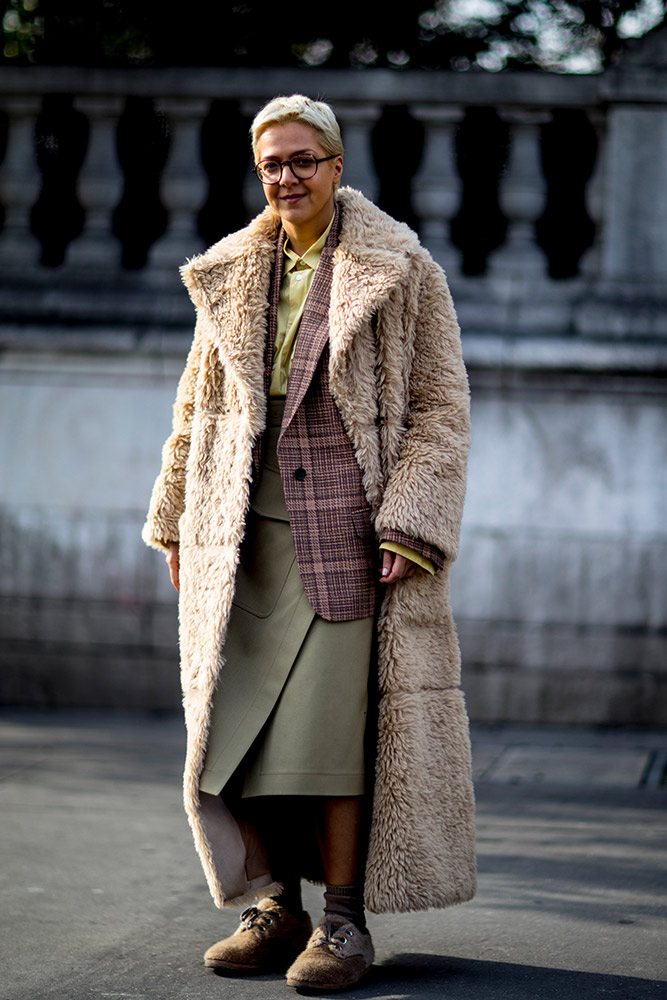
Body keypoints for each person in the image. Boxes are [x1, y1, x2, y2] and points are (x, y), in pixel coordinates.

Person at [142, 93, 476, 992]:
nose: (286, 177)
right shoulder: (229, 273)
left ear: (335, 165)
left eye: (302, 160)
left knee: (329, 737)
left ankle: (343, 925)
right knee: (240, 737)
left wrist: (413, 522)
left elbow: (442, 411)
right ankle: (275, 907)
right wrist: (177, 519)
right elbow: (193, 412)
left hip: (350, 538)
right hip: (241, 538)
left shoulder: (404, 271)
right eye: (271, 165)